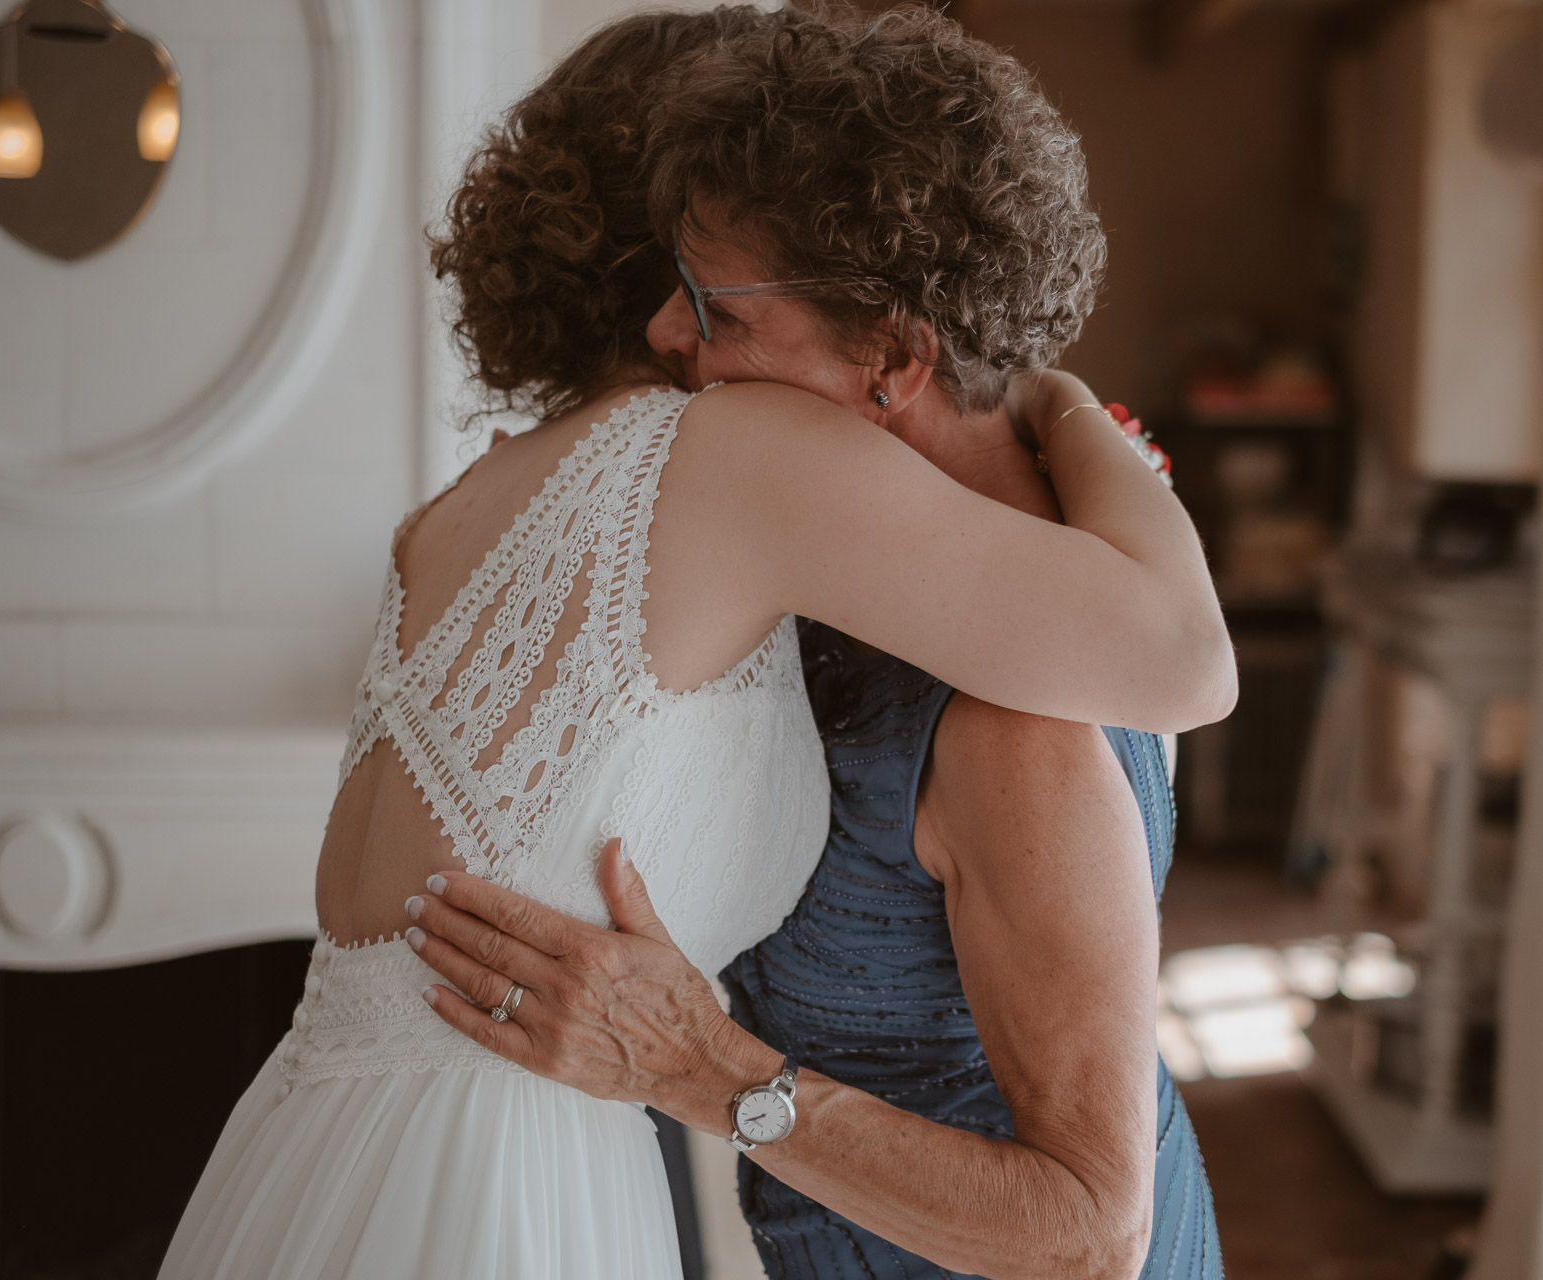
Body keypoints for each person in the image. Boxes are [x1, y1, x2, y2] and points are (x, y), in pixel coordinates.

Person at [156, 8, 1232, 1279]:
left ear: (893, 355)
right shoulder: (832, 600)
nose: (673, 336)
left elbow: (1091, 1232)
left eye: (714, 304)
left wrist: (702, 1069)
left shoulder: (1014, 710)